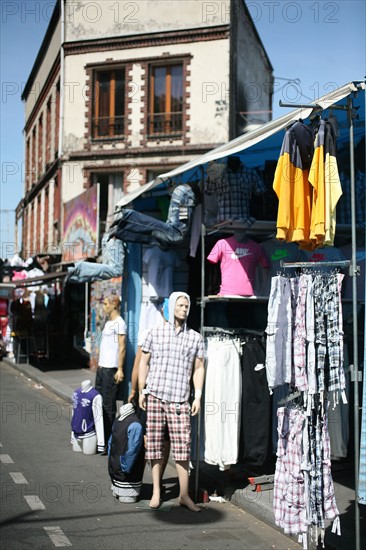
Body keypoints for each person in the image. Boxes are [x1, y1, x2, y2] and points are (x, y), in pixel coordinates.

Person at [138, 292, 205, 511]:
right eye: (180, 305)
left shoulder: (195, 337)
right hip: (156, 395)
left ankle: (184, 495)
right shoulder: (155, 333)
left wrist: (198, 394)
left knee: (182, 448)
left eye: (187, 306)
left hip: (180, 400)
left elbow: (199, 367)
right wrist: (141, 390)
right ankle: (157, 491)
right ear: (171, 307)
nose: (184, 309)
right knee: (155, 447)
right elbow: (143, 362)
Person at [95, 294, 126, 452]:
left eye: (106, 303)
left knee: (108, 406)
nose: (104, 306)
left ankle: (109, 442)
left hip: (111, 368)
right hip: (102, 367)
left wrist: (120, 368)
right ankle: (101, 439)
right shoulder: (108, 323)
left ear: (114, 305)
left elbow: (122, 347)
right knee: (99, 404)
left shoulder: (120, 323)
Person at [108, 403, 145, 503]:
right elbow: (132, 450)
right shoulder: (132, 424)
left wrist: (116, 464)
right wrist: (124, 466)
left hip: (119, 470)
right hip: (124, 472)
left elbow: (111, 445)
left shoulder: (121, 421)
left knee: (125, 495)